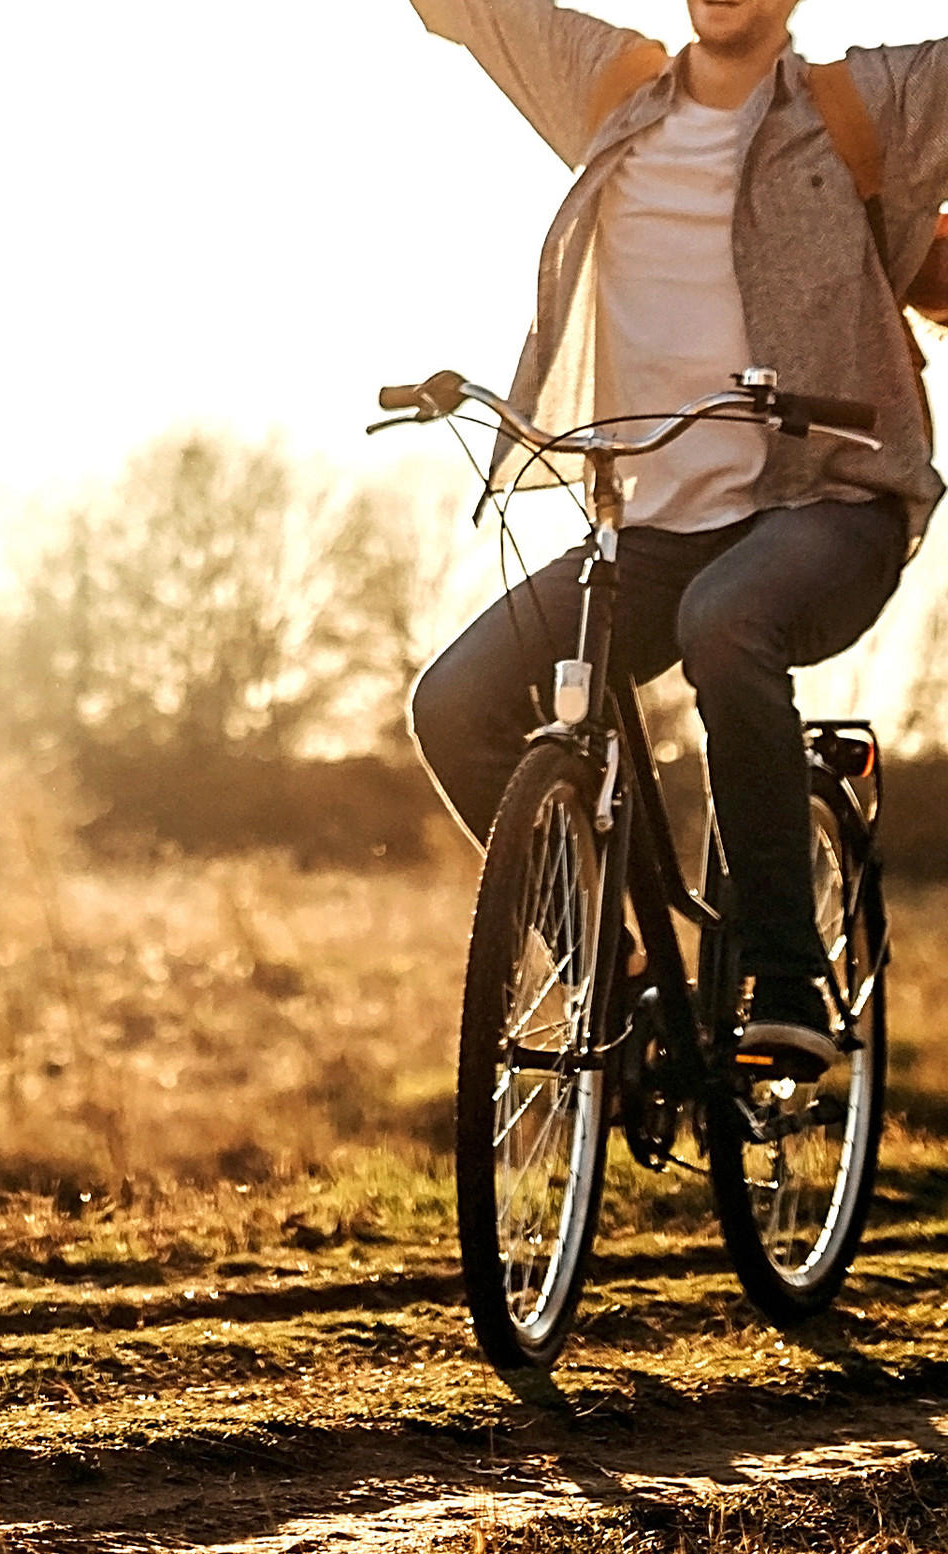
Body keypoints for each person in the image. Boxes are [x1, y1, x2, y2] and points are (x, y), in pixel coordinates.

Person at [403, 0, 948, 1075]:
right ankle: (621, 984)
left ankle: (782, 978)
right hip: (648, 528)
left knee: (725, 619)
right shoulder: (607, 89)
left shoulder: (863, 105)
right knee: (454, 702)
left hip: (826, 507)